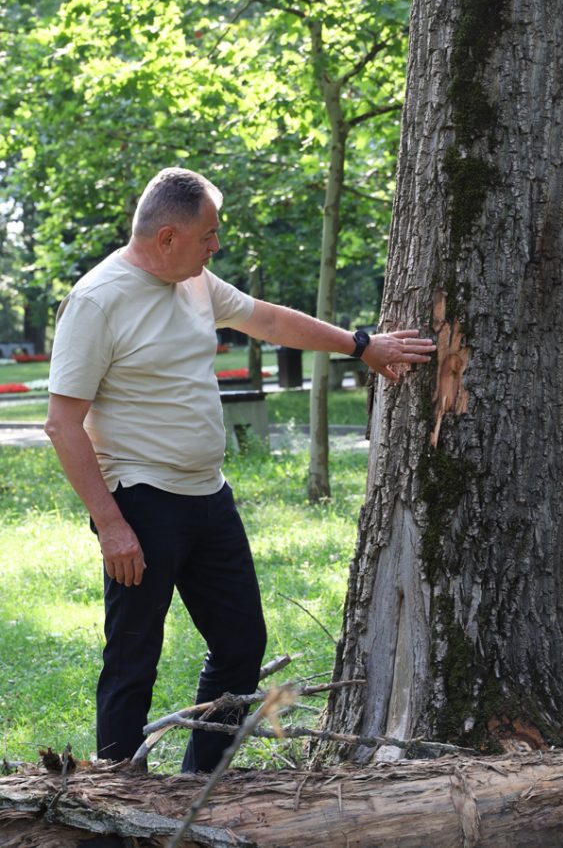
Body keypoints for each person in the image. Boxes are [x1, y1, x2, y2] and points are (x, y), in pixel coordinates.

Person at [45, 167, 435, 772]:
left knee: (240, 644)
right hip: (141, 502)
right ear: (168, 237)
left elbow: (270, 321)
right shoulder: (98, 301)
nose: (216, 246)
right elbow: (62, 424)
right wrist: (112, 525)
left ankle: (204, 780)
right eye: (209, 235)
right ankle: (117, 805)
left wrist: (363, 345)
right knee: (133, 657)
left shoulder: (195, 282)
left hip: (209, 498)